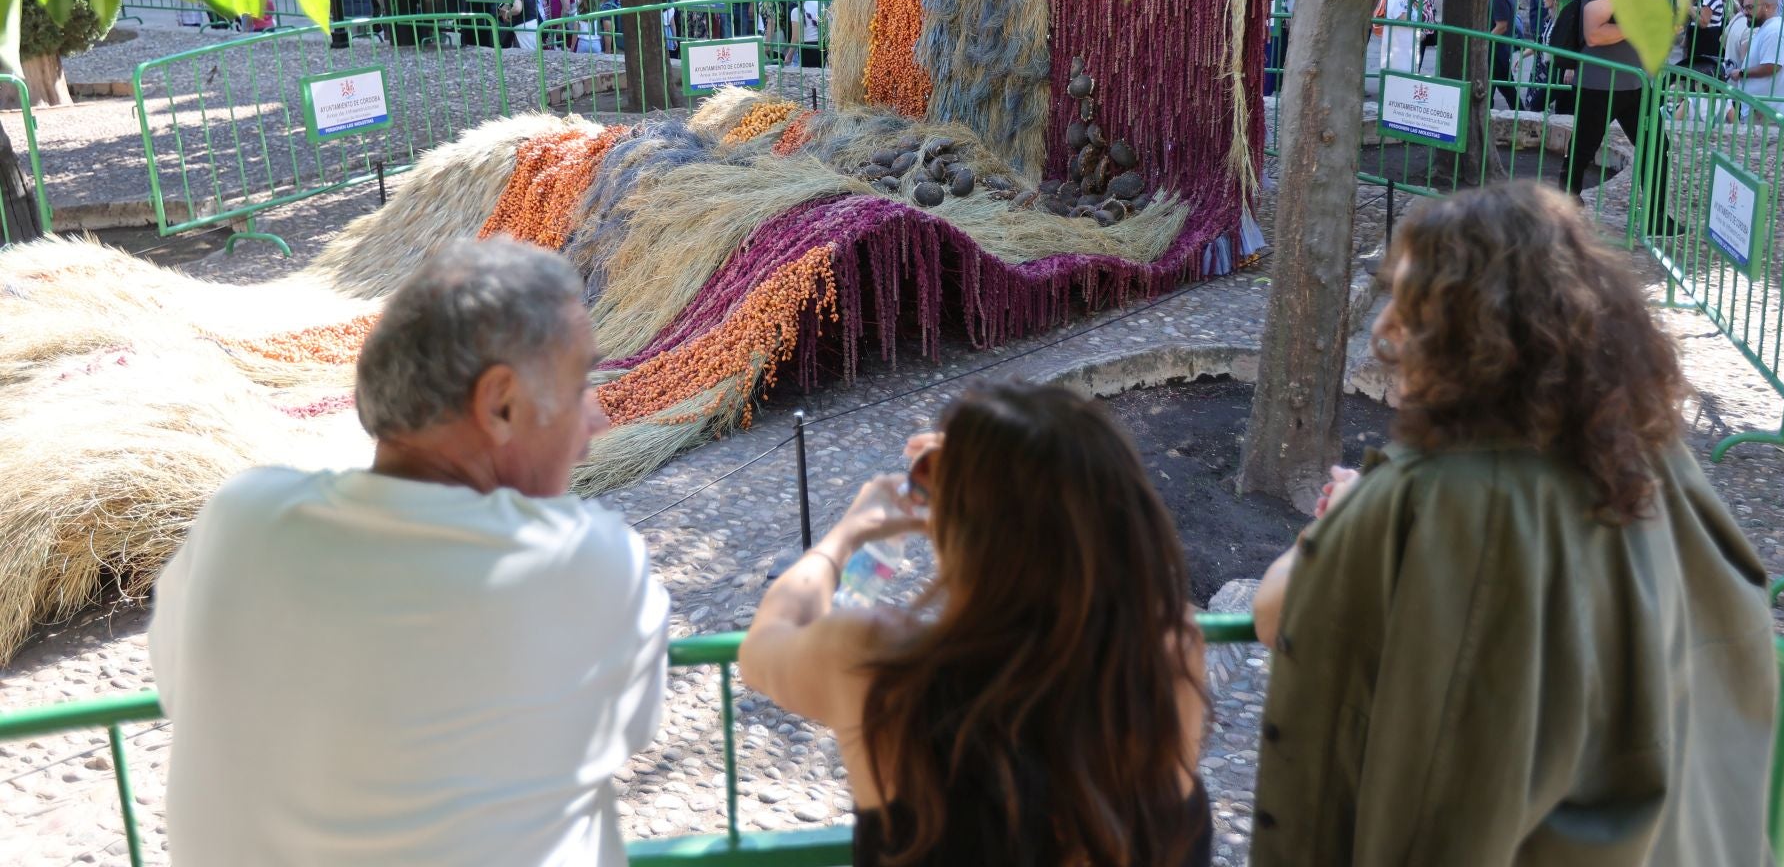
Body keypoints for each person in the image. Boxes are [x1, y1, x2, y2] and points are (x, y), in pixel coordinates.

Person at [1248, 182, 1775, 867]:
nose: (1391, 335)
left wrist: (1353, 517)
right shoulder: (1646, 455)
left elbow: (1274, 613)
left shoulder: (1439, 499)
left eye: (1412, 311)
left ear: (1470, 331)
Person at [150, 240, 671, 865]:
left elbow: (180, 681)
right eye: (583, 382)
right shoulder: (584, 558)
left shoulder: (238, 518)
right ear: (500, 404)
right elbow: (627, 730)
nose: (599, 417)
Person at [739, 383, 1212, 867]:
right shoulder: (1170, 655)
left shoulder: (878, 667)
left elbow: (762, 647)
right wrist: (1004, 475)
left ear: (963, 536)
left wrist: (850, 532)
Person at [1560, 0, 1679, 235]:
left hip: (1633, 82)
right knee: (1585, 147)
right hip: (1600, 83)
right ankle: (1562, 208)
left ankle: (1654, 217)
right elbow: (1594, 34)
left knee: (1656, 145)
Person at [1730, 0, 1784, 119]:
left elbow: (1772, 66)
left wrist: (1740, 73)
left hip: (1765, 111)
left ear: (1767, 7)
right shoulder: (1769, 28)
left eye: (1750, 8)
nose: (1745, 12)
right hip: (1761, 109)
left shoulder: (1774, 31)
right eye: (1744, 8)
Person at [1488, 0, 1518, 109]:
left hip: (1496, 49)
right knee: (1499, 87)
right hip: (1499, 48)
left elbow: (1501, 26)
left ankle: (1522, 116)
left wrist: (1483, 41)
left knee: (1506, 89)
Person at [1380, 0, 1419, 76]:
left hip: (1405, 44)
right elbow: (1404, 19)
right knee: (1399, 71)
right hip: (1399, 44)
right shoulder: (1395, 0)